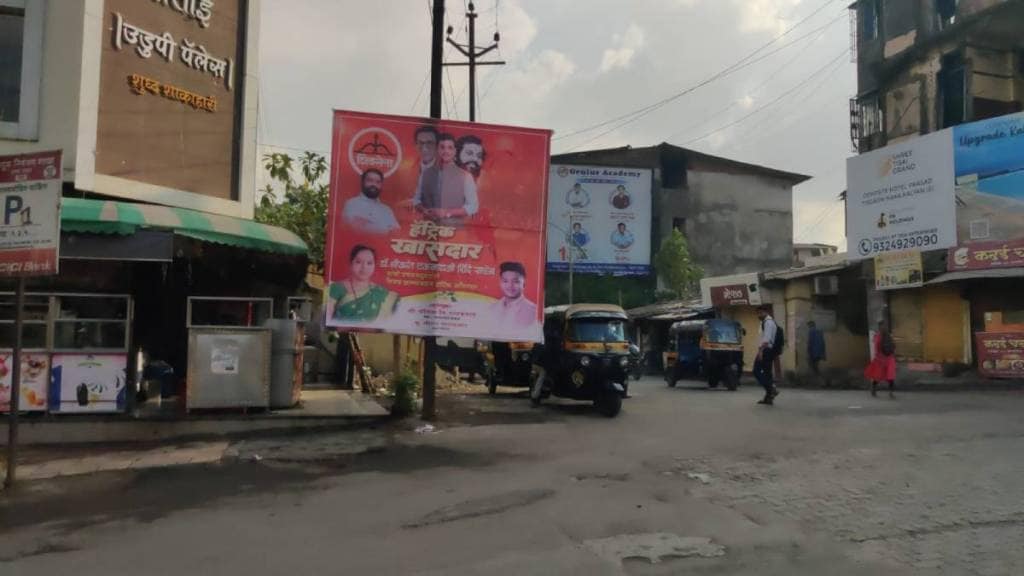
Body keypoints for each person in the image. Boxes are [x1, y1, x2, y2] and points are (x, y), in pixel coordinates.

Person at [414, 133, 479, 226]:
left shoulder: (466, 176)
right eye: (442, 147)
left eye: (450, 148)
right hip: (428, 229)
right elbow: (416, 200)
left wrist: (446, 212)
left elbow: (473, 207)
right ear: (437, 150)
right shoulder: (426, 174)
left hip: (455, 232)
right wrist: (423, 210)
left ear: (455, 151)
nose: (446, 151)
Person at [327, 245, 399, 322]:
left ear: (374, 266)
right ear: (351, 264)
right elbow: (327, 319)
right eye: (358, 262)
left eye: (369, 263)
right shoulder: (336, 288)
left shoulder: (381, 292)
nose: (364, 267)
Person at [342, 169, 399, 234]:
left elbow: (397, 232)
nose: (374, 185)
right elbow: (355, 228)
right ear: (363, 182)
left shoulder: (386, 209)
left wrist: (369, 224)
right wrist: (386, 229)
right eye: (370, 180)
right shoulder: (351, 204)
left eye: (378, 182)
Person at [488, 261, 537, 329]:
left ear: (524, 284)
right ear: (500, 283)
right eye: (505, 281)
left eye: (516, 281)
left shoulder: (533, 311)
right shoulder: (492, 308)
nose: (510, 286)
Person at [754, 306, 780, 405]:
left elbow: (767, 339)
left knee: (756, 371)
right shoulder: (765, 322)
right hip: (767, 350)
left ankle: (771, 388)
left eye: (760, 313)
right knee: (767, 374)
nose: (758, 315)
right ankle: (768, 398)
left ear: (766, 312)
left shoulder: (768, 322)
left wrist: (761, 351)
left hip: (766, 350)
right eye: (758, 313)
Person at [865, 320, 896, 398]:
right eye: (882, 326)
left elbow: (892, 346)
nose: (884, 327)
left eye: (885, 326)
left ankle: (891, 392)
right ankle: (874, 388)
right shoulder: (878, 336)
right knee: (877, 376)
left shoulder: (887, 335)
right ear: (879, 327)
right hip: (881, 359)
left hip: (889, 358)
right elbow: (877, 348)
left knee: (890, 375)